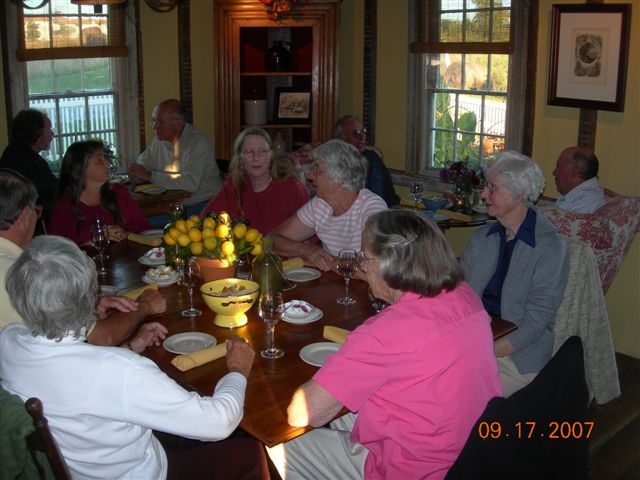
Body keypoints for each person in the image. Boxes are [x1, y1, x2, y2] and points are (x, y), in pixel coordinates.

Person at [0, 235, 269, 479]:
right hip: (140, 473)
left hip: (82, 463)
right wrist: (237, 369)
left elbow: (80, 379)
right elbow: (219, 422)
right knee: (250, 453)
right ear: (88, 297)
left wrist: (130, 347)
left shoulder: (9, 341)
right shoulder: (122, 371)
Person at [271, 210, 502, 479]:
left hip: (415, 469)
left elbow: (303, 414)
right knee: (346, 412)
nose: (362, 267)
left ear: (388, 263)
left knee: (279, 445)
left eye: (365, 258)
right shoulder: (465, 295)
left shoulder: (386, 332)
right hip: (473, 453)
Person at [0, 168, 166, 353]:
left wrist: (91, 304)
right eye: (37, 212)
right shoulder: (18, 275)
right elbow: (103, 338)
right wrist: (145, 305)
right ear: (24, 215)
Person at [461, 151, 569, 397]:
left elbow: (537, 321)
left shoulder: (549, 247)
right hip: (474, 342)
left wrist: (484, 351)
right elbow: (461, 295)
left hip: (517, 357)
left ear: (519, 194)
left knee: (457, 394)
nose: (483, 194)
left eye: (492, 187)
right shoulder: (482, 238)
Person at [271, 139, 387, 272]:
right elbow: (272, 240)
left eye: (316, 170)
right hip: (333, 282)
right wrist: (305, 249)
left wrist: (321, 262)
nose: (310, 176)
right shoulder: (321, 204)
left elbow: (371, 267)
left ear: (339, 179)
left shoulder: (373, 209)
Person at [200, 127, 309, 234]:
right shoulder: (234, 184)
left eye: (262, 151)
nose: (256, 158)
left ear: (271, 155)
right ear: (240, 158)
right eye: (249, 152)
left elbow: (308, 238)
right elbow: (206, 220)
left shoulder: (293, 188)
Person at [129, 99, 223, 220]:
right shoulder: (159, 140)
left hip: (203, 204)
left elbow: (190, 183)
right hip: (172, 203)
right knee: (135, 219)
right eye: (154, 121)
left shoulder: (196, 143)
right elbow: (143, 163)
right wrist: (136, 173)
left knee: (143, 223)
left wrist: (150, 176)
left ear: (178, 123)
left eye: (160, 122)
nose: (154, 127)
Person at [49, 140, 151, 245]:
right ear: (80, 168)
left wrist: (126, 234)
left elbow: (144, 229)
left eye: (105, 158)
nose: (108, 163)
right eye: (100, 161)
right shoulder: (64, 207)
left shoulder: (119, 193)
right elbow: (56, 249)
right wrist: (93, 242)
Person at [0, 108, 58, 231]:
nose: (52, 134)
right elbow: (53, 194)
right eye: (49, 129)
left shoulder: (12, 152)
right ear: (36, 133)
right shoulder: (31, 162)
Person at [334, 115, 400, 207]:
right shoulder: (331, 163)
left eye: (363, 131)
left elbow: (388, 197)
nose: (362, 137)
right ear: (341, 139)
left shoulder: (372, 158)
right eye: (356, 133)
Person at [552, 146, 605, 213]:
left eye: (559, 167)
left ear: (574, 172)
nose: (554, 172)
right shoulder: (576, 194)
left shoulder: (585, 201)